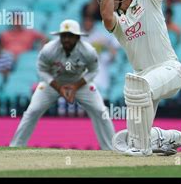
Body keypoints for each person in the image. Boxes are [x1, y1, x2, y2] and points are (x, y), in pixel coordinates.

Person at [97, 0, 181, 156]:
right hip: (145, 79)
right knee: (135, 131)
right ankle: (168, 137)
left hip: (170, 70)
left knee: (137, 87)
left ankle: (142, 149)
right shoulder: (117, 23)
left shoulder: (148, 1)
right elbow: (106, 15)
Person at [10, 19, 115, 149]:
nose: (66, 39)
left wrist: (75, 86)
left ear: (77, 37)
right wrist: (58, 87)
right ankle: (16, 147)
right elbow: (42, 70)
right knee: (32, 111)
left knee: (101, 111)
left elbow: (94, 71)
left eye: (70, 36)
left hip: (79, 82)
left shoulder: (88, 51)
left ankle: (112, 148)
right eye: (63, 35)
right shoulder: (48, 49)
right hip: (53, 83)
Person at [81, 15, 119, 92]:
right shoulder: (78, 37)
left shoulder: (102, 57)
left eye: (90, 22)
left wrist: (106, 44)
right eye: (86, 22)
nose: (88, 24)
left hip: (100, 88)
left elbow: (113, 55)